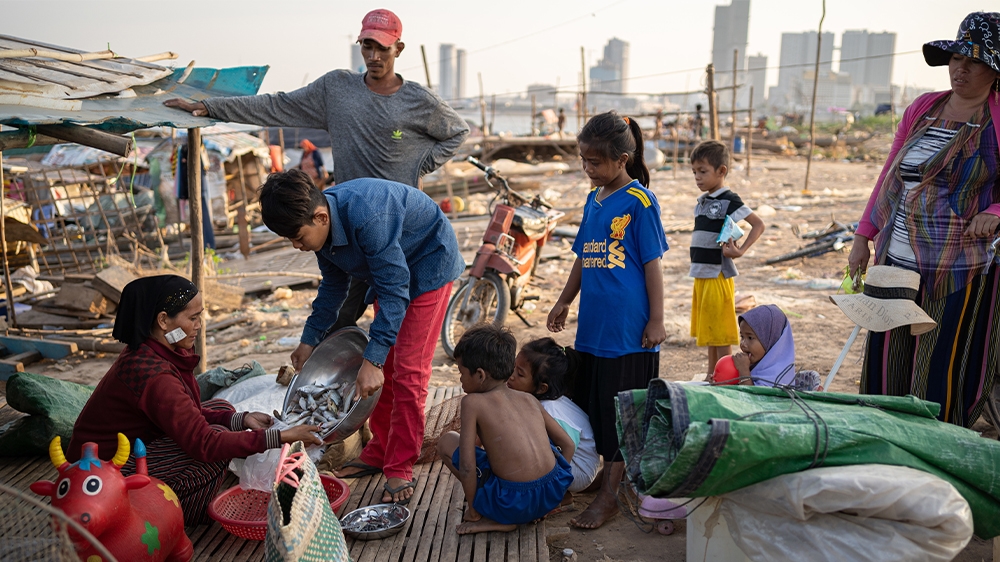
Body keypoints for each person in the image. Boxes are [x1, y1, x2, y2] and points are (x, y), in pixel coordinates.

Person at [164, 8, 470, 332]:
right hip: (348, 228)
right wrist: (211, 107)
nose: (374, 56)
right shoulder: (337, 90)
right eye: (367, 46)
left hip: (396, 231)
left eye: (382, 48)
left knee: (398, 321)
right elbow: (276, 105)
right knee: (334, 322)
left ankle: (378, 360)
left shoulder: (418, 100)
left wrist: (420, 165)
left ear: (398, 49)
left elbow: (457, 131)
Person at [258, 169, 465, 504]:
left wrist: (373, 360)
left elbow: (395, 291)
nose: (297, 246)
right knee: (382, 370)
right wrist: (309, 339)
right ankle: (381, 449)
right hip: (390, 274)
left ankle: (400, 465)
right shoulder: (322, 226)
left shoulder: (369, 218)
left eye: (297, 237)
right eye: (290, 240)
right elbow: (333, 287)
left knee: (408, 373)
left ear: (320, 217)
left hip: (428, 264)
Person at [847, 11, 1000, 428]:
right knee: (888, 357)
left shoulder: (997, 118)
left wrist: (995, 211)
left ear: (994, 70)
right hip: (896, 256)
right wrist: (863, 235)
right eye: (956, 58)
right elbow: (890, 173)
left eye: (974, 62)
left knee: (937, 365)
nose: (960, 69)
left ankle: (933, 443)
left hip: (957, 266)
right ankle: (883, 437)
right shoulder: (924, 107)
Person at [68, 276, 321, 524]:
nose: (199, 325)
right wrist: (280, 437)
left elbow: (190, 410)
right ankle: (177, 513)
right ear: (163, 320)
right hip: (99, 474)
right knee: (215, 450)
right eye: (192, 318)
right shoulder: (155, 376)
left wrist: (242, 419)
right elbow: (205, 444)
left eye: (200, 316)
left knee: (223, 409)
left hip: (136, 445)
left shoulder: (157, 349)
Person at [547, 111, 668, 529]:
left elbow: (653, 265)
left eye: (595, 162)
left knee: (624, 413)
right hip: (594, 327)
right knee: (595, 405)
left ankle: (611, 495)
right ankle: (609, 478)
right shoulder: (593, 199)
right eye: (583, 160)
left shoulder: (640, 202)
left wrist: (657, 319)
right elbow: (584, 255)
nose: (587, 168)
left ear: (622, 160)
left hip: (628, 330)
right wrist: (565, 300)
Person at [436, 325, 575, 535]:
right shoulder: (529, 398)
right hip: (551, 494)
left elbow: (466, 466)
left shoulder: (472, 403)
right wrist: (554, 490)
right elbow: (568, 444)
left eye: (461, 372)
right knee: (543, 445)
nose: (461, 379)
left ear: (480, 375)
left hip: (512, 505)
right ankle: (534, 506)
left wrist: (473, 512)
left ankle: (498, 519)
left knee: (446, 441)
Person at [688, 140, 765, 375]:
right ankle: (712, 374)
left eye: (703, 171)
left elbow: (758, 224)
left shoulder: (729, 199)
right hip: (701, 274)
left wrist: (741, 251)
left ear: (721, 171)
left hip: (717, 273)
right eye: (694, 172)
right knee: (710, 330)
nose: (697, 177)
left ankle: (726, 375)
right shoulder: (702, 202)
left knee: (721, 332)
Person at [507, 338, 599, 499]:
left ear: (541, 388)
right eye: (513, 367)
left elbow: (568, 446)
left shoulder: (549, 409)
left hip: (578, 469)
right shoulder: (541, 400)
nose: (511, 376)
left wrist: (557, 487)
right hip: (569, 461)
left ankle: (557, 495)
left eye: (520, 374)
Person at [724, 304, 821, 391]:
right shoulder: (758, 364)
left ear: (771, 341)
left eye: (750, 338)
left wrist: (744, 371)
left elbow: (753, 399)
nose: (743, 344)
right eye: (742, 337)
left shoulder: (778, 375)